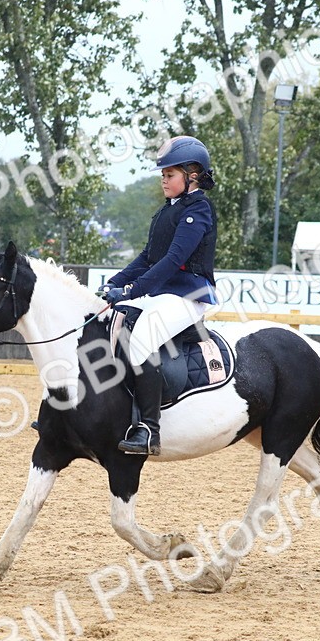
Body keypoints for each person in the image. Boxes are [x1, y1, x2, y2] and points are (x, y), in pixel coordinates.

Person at [99, 135, 218, 456]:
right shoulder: (168, 210)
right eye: (163, 175)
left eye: (170, 174)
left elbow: (173, 260)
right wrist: (115, 282)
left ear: (192, 175)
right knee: (108, 322)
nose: (163, 180)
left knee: (141, 340)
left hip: (189, 296)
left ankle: (149, 430)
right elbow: (148, 257)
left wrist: (133, 290)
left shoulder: (198, 210)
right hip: (163, 294)